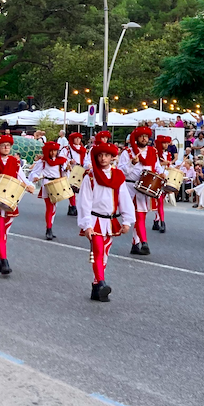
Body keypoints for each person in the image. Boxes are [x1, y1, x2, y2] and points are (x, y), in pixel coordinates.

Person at [77, 142, 135, 302]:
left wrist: (127, 220)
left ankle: (96, 287)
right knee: (97, 252)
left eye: (107, 156)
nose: (103, 158)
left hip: (109, 221)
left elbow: (124, 199)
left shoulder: (118, 176)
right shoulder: (90, 177)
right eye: (100, 155)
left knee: (105, 254)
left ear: (112, 158)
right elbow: (84, 202)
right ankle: (101, 282)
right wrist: (86, 224)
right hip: (94, 220)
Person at [0, 134, 36, 275]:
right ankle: (4, 261)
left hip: (10, 201)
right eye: (3, 145)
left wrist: (29, 185)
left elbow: (21, 177)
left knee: (5, 234)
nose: (6, 147)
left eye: (8, 145)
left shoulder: (14, 162)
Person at [119, 126, 164, 256]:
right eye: (141, 136)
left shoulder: (152, 151)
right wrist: (132, 163)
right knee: (137, 216)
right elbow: (121, 171)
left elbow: (157, 167)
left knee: (141, 217)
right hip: (130, 188)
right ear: (136, 138)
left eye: (146, 136)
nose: (144, 138)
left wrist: (162, 174)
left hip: (146, 188)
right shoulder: (127, 152)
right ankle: (144, 243)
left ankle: (135, 244)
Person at [29, 141, 69, 241]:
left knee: (53, 208)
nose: (53, 153)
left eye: (55, 151)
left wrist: (67, 169)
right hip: (47, 184)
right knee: (50, 208)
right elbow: (34, 172)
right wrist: (35, 177)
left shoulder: (61, 161)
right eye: (51, 151)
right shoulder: (42, 161)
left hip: (57, 184)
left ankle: (49, 227)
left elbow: (64, 172)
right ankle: (49, 228)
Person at [62, 132, 87, 217]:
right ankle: (73, 206)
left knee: (80, 189)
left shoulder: (83, 149)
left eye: (79, 138)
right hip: (71, 170)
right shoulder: (67, 149)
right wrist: (68, 161)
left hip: (81, 170)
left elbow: (86, 160)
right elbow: (62, 158)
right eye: (76, 138)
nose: (78, 140)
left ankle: (76, 206)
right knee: (71, 188)